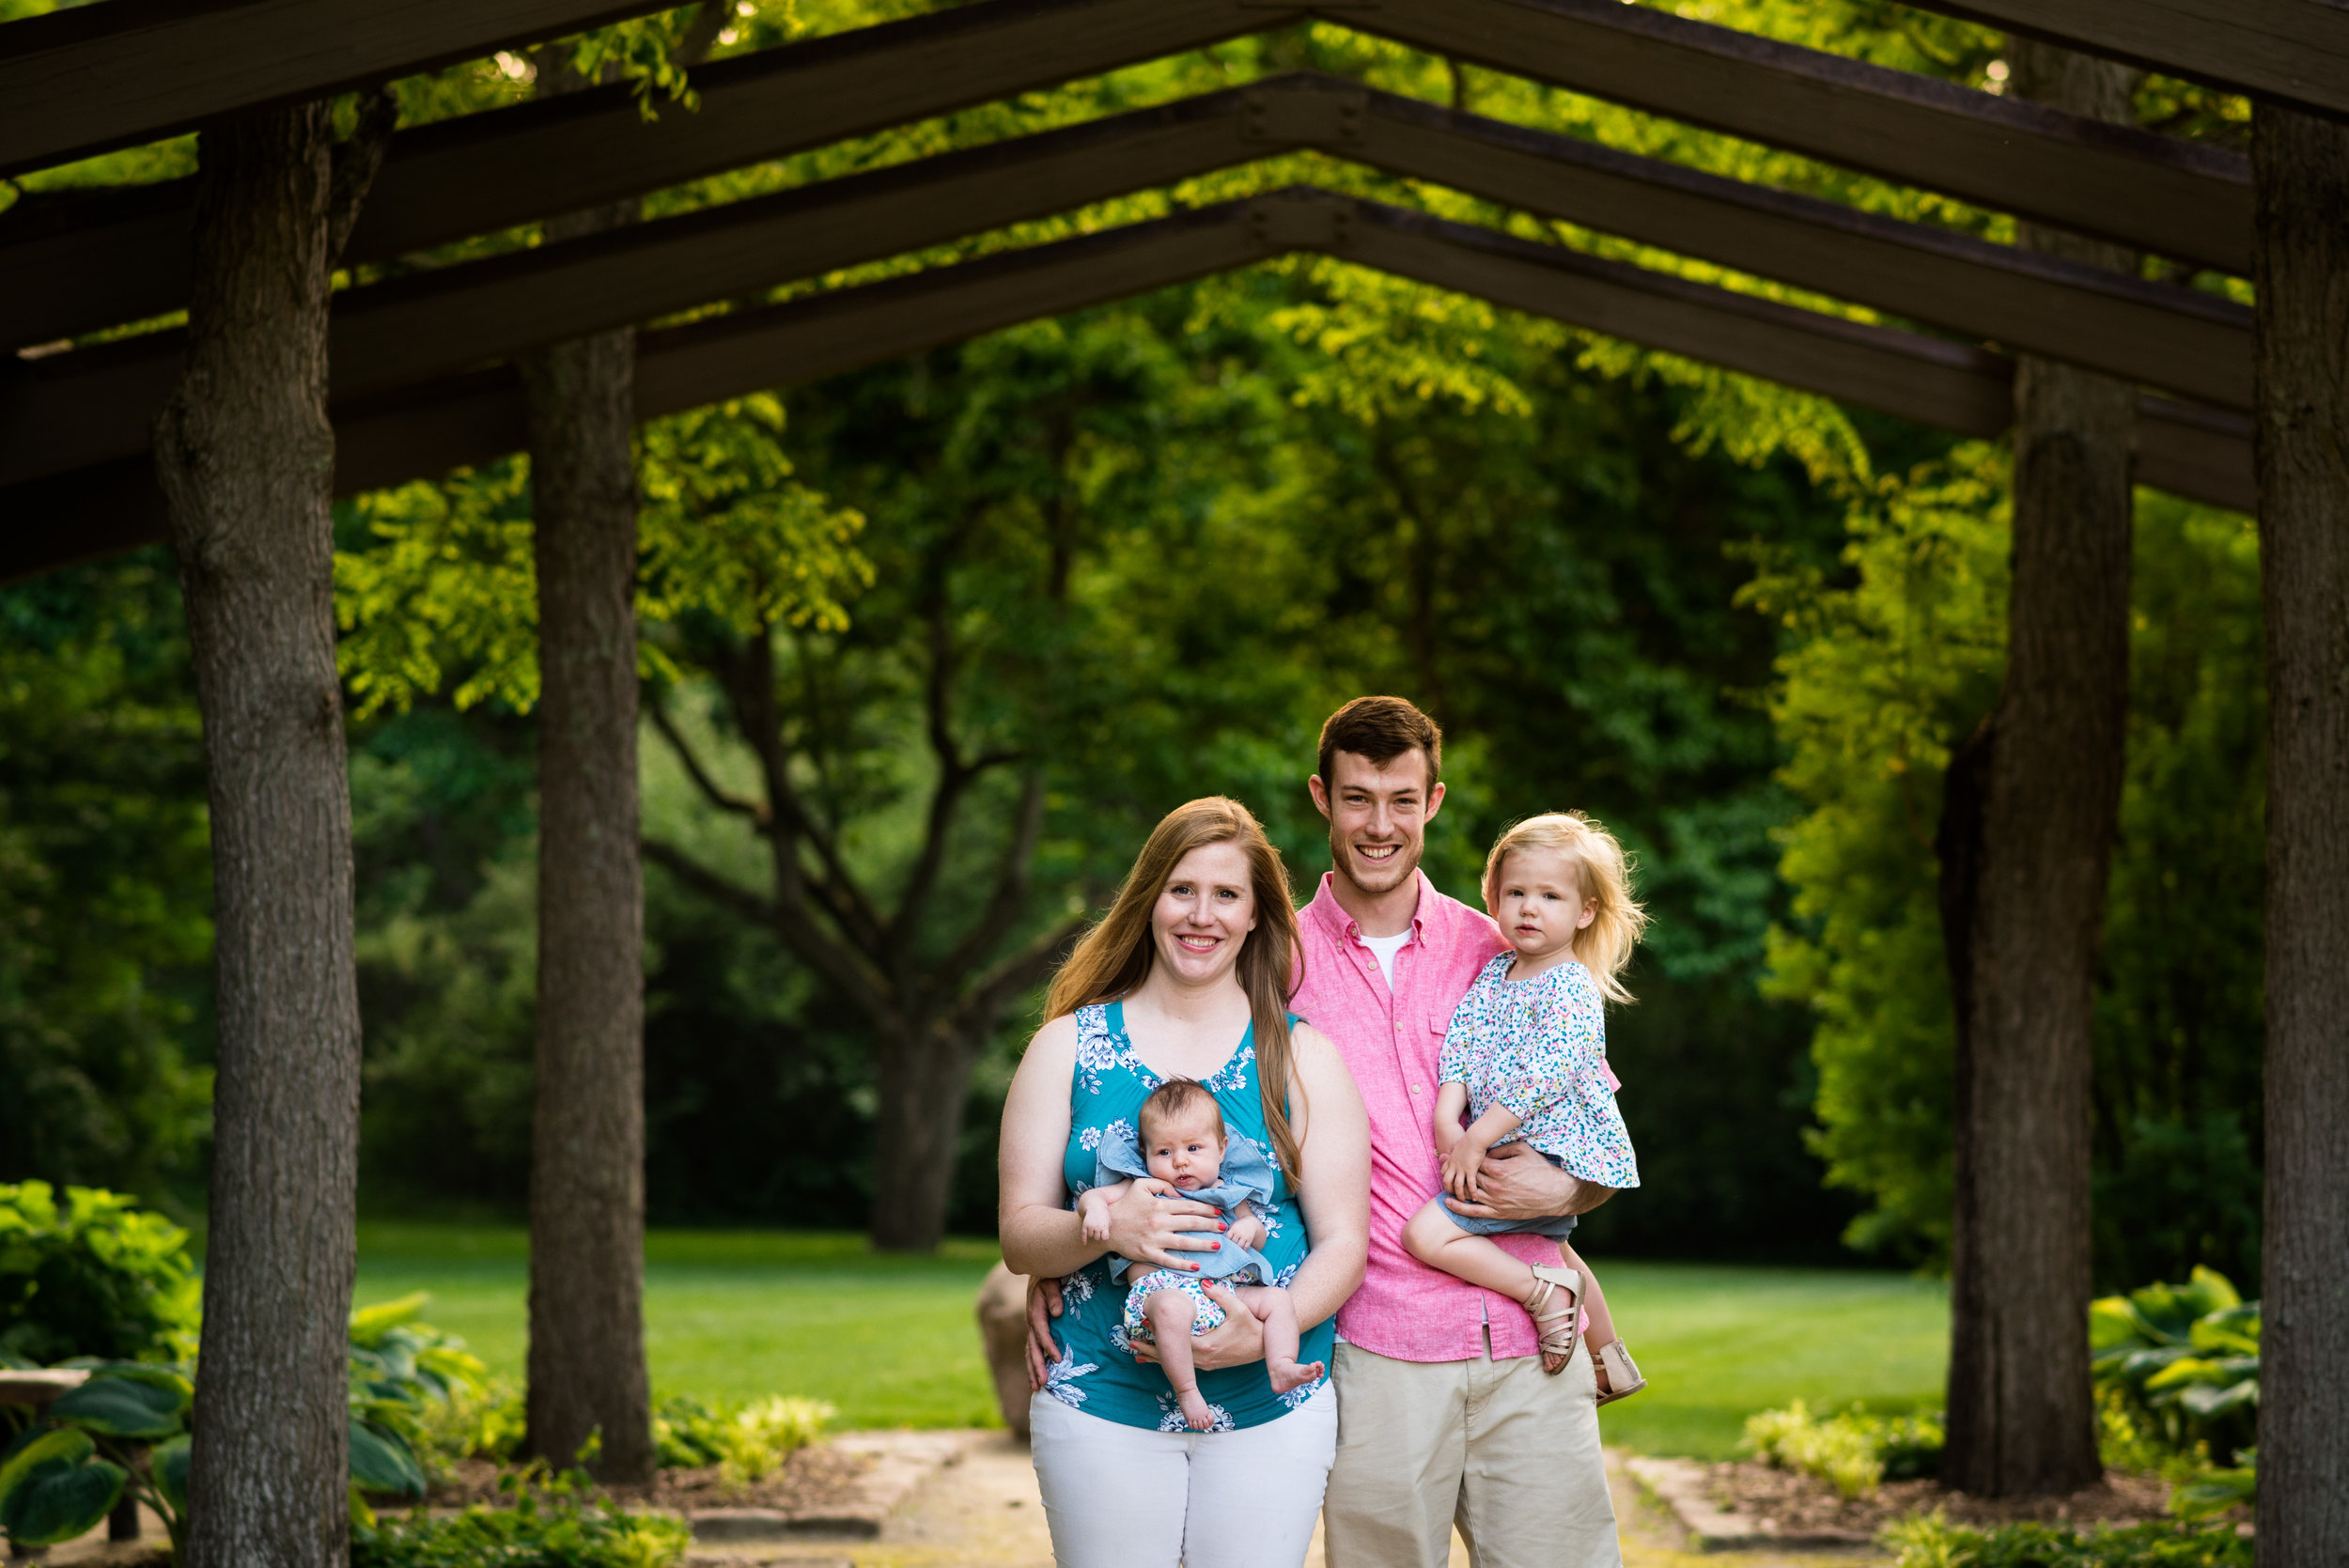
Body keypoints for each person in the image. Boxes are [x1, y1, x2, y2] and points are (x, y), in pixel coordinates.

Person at [1031, 698, 1624, 1568]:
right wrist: (1052, 1264)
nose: (1379, 824)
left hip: (1524, 1341)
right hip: (1377, 1348)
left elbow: (1591, 1110)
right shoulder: (1270, 963)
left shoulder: (1504, 950)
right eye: (1356, 798)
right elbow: (1153, 1101)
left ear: (1435, 801)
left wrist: (1575, 1189)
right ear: (1321, 797)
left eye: (1402, 799)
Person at [998, 796, 1369, 1568]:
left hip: (1272, 1407)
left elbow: (1345, 1242)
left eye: (1227, 894)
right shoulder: (1067, 1047)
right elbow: (1018, 1232)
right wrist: (1099, 1230)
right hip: (1100, 1399)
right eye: (1182, 889)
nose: (1202, 914)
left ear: (1257, 915)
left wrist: (1267, 1327)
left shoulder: (1302, 1057)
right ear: (1149, 901)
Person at [1402, 811, 1649, 1402]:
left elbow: (1542, 1079)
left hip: (1552, 1149)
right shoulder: (1495, 974)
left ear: (1584, 911)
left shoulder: (1570, 984)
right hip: (1507, 1141)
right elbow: (1461, 1040)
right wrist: (1445, 1113)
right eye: (1515, 893)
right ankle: (1611, 1361)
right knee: (1557, 1245)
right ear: (1494, 898)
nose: (1529, 908)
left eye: (1550, 895)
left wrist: (1475, 1137)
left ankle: (1544, 1295)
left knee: (1425, 1236)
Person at [1081, 1077, 1326, 1431]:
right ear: (1145, 1154)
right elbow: (1095, 1198)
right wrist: (1097, 1211)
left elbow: (1255, 1234)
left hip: (1223, 1291)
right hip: (1165, 1290)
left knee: (1276, 1301)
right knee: (1171, 1309)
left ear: (1222, 1149)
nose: (1180, 1162)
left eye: (1193, 1148)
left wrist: (1248, 1229)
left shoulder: (1229, 1192)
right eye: (1164, 1152)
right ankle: (1187, 1391)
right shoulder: (1144, 1187)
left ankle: (1282, 1364)